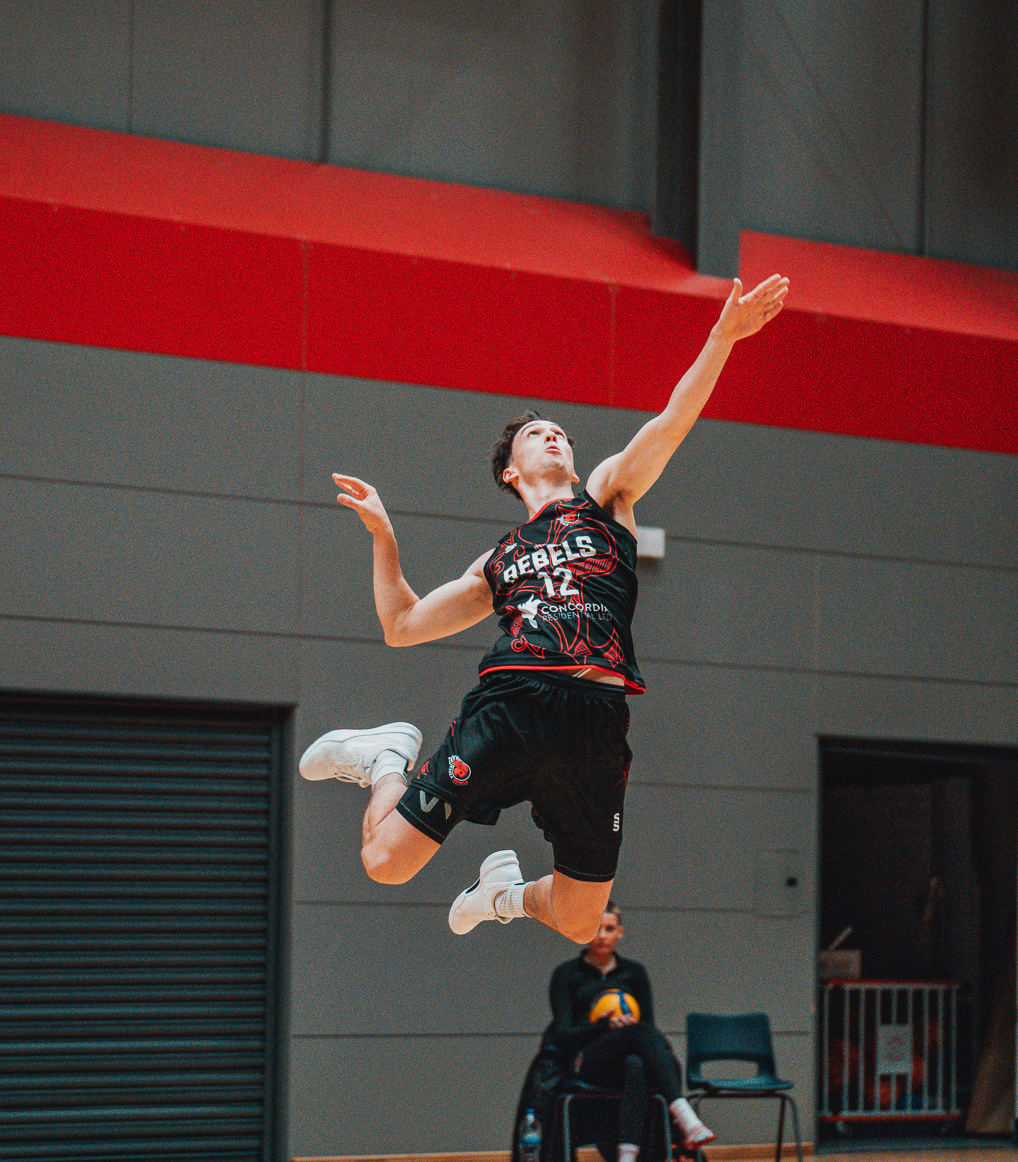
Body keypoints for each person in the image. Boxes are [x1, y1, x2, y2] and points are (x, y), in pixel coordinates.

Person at [297, 274, 791, 944]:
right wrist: (384, 536)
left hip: (596, 721)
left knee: (582, 920)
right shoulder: (498, 560)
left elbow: (671, 423)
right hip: (514, 705)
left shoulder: (608, 497)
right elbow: (402, 625)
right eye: (538, 433)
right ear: (513, 470)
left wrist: (721, 337)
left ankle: (502, 899)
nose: (555, 436)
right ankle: (388, 758)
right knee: (384, 863)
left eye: (561, 432)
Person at [547, 902, 714, 1162]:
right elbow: (563, 1034)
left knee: (636, 1064)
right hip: (586, 1061)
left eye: (609, 928)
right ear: (583, 932)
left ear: (620, 932)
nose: (602, 935)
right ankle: (683, 1112)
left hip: (625, 1059)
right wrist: (604, 1026)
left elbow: (647, 1026)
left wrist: (624, 1029)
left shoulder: (634, 973)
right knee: (635, 1036)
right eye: (596, 928)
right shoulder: (567, 974)